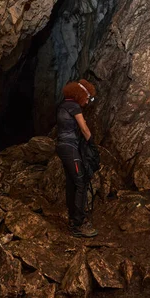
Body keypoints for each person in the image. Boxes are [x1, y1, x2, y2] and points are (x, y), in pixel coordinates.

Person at [56, 79, 98, 238]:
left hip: (63, 147)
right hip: (70, 148)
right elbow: (84, 128)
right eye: (87, 98)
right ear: (80, 95)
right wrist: (92, 145)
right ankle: (78, 224)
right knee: (81, 182)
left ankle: (73, 219)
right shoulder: (74, 107)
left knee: (71, 182)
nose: (87, 102)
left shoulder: (63, 105)